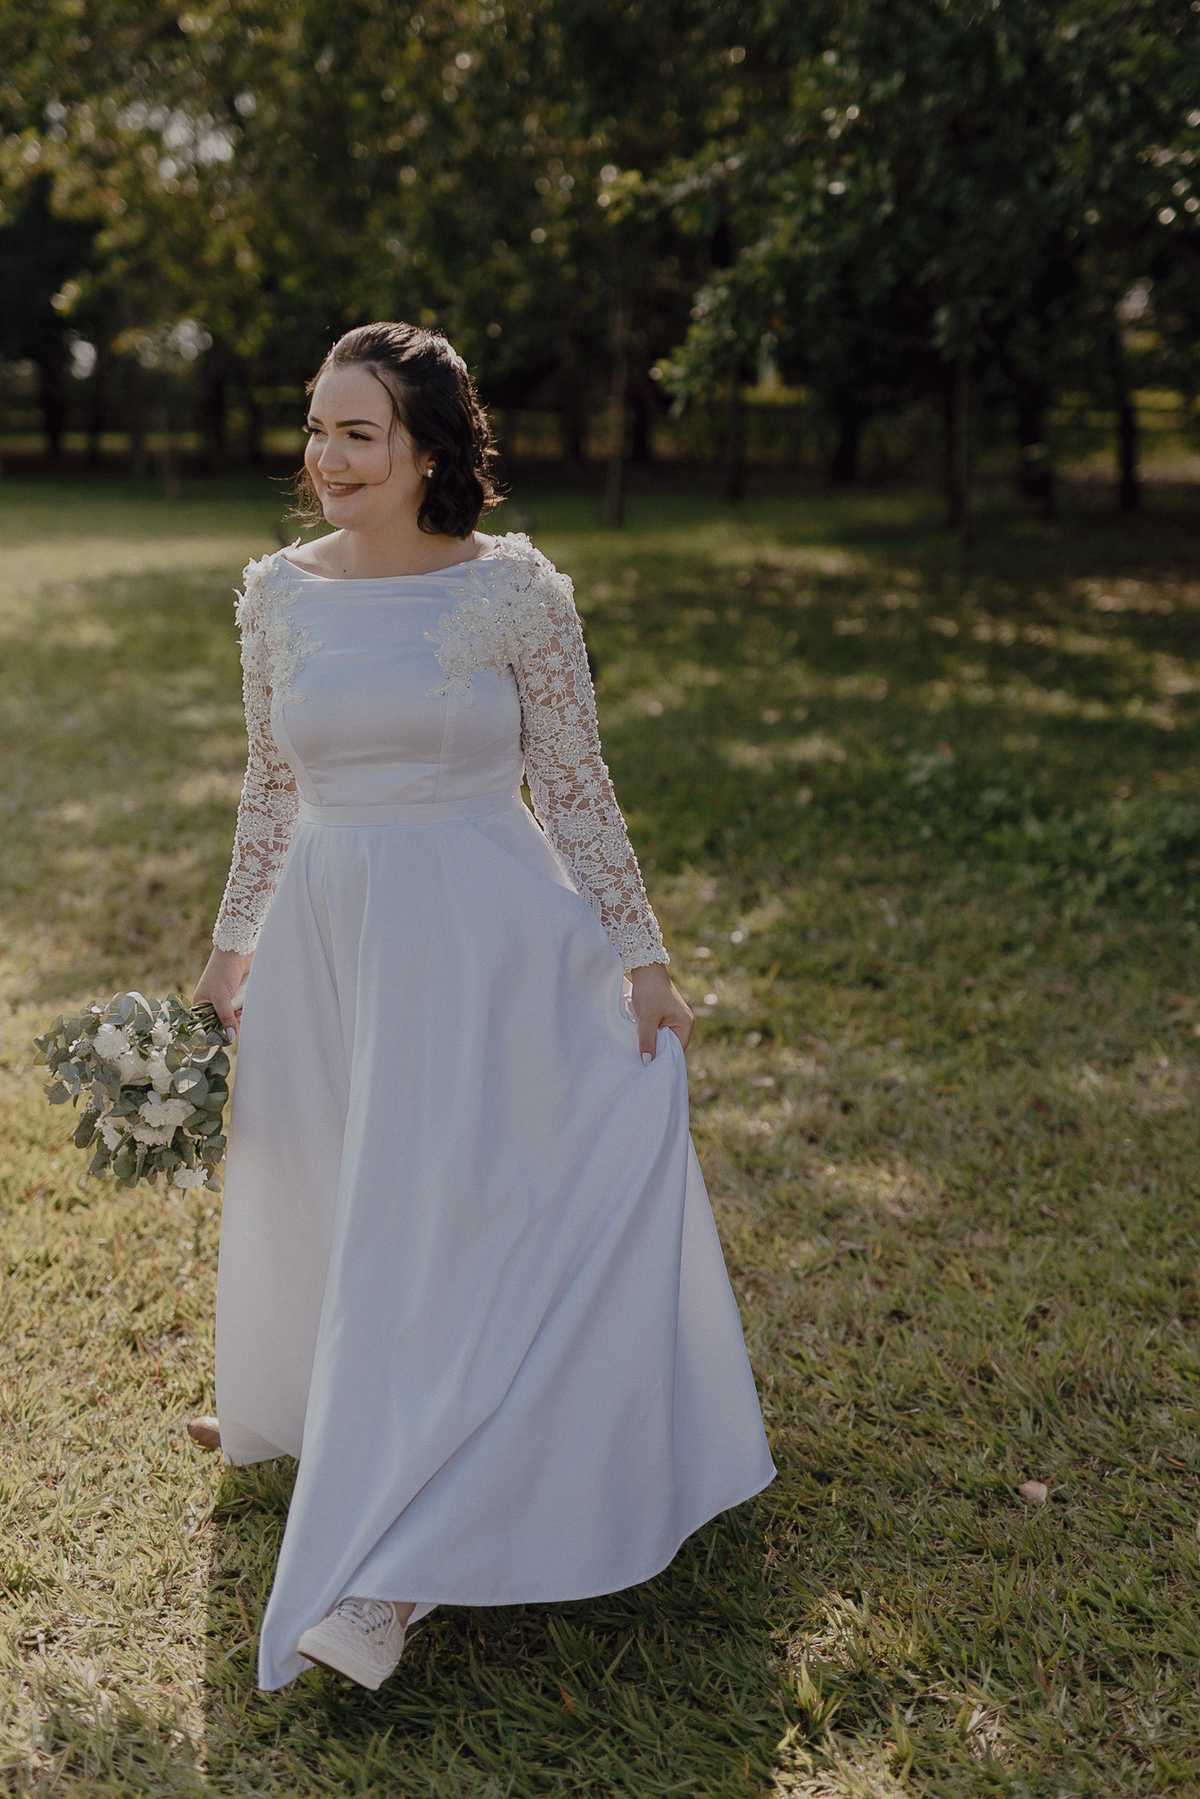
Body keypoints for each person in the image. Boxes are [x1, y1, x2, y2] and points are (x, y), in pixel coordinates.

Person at [192, 321, 774, 1693]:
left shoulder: (515, 592)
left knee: (446, 1212)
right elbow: (271, 785)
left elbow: (574, 783)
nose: (324, 458)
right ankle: (309, 1406)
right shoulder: (277, 595)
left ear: (430, 452)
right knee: (339, 1184)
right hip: (334, 937)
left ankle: (390, 1570)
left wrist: (645, 955)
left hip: (483, 939)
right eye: (318, 429)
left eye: (358, 434)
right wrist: (232, 947)